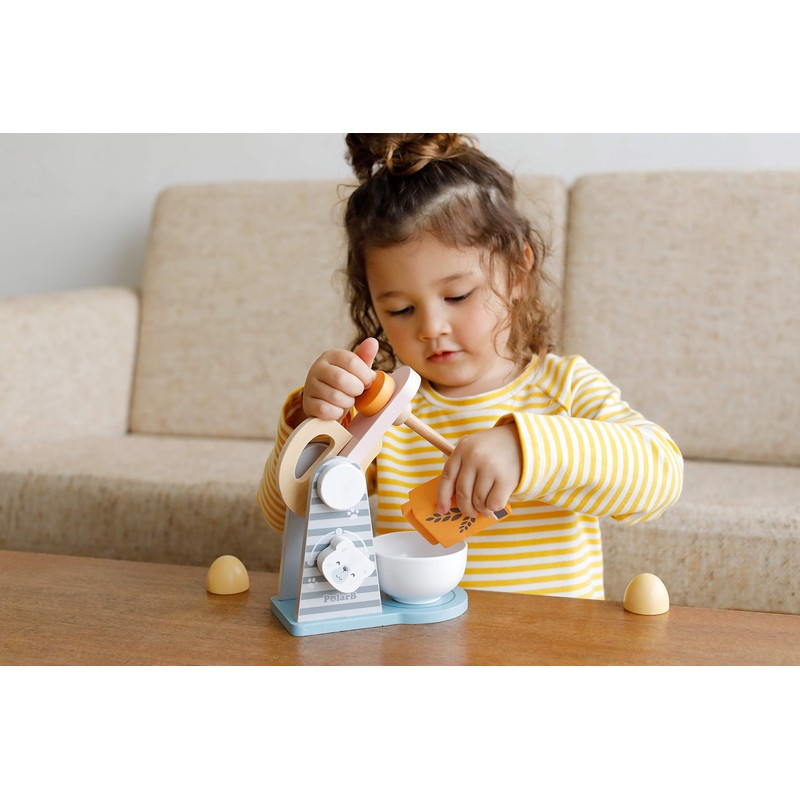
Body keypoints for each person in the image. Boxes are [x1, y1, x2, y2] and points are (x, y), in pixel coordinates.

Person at [258, 133, 683, 599]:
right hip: (417, 636)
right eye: (401, 309)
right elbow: (285, 516)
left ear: (517, 272)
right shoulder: (380, 418)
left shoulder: (563, 389)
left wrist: (525, 449)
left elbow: (660, 477)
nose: (431, 327)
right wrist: (312, 421)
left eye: (458, 296)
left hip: (552, 640)